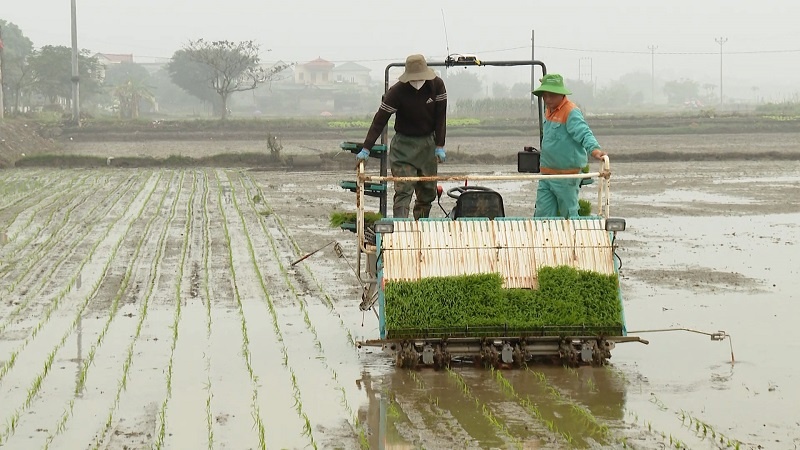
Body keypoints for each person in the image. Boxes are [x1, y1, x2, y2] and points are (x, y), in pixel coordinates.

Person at [357, 54, 447, 219]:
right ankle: (401, 227)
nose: (417, 81)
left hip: (427, 144)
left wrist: (440, 145)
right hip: (403, 146)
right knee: (404, 188)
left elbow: (441, 117)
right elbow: (379, 120)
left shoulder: (437, 86)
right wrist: (366, 148)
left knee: (428, 191)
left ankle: (421, 225)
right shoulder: (397, 92)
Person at [532, 74, 607, 218]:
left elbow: (584, 133)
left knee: (568, 214)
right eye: (545, 96)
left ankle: (573, 238)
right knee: (542, 215)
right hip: (547, 174)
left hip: (566, 175)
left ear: (561, 94)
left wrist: (594, 150)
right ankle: (546, 239)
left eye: (551, 96)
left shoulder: (571, 112)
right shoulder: (548, 110)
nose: (547, 100)